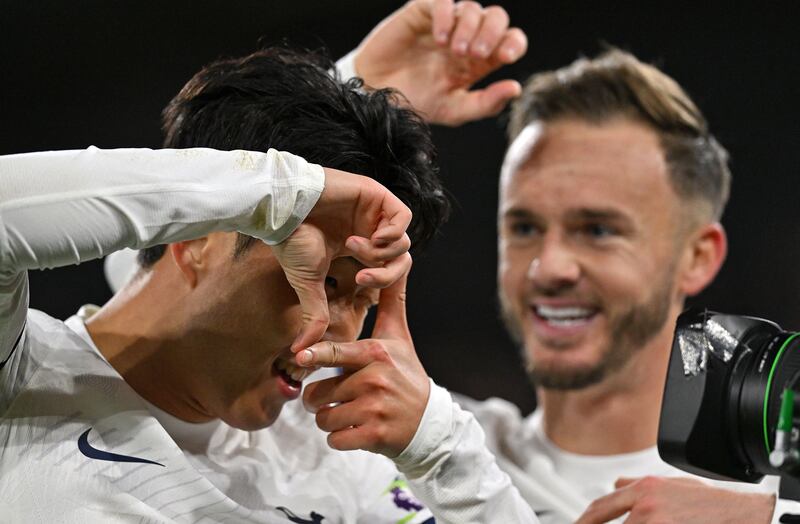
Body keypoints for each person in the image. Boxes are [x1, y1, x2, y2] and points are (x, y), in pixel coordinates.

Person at [297, 1, 800, 522]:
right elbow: (222, 286)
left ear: (698, 256)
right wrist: (354, 94)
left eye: (598, 230)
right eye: (525, 228)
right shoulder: (408, 443)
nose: (549, 267)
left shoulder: (766, 500)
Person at [0, 46, 538, 522]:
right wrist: (282, 191)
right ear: (196, 235)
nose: (340, 335)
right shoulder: (21, 377)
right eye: (325, 282)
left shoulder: (334, 456)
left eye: (364, 301)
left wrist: (442, 448)